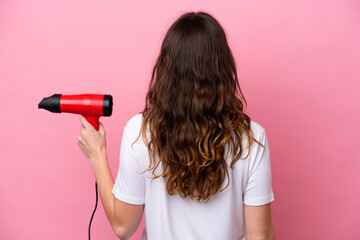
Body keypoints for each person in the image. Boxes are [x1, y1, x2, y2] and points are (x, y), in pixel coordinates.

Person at [77, 11, 276, 240]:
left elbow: (123, 227)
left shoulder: (139, 132)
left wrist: (96, 153)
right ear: (223, 69)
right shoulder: (252, 138)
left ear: (166, 68)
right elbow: (261, 237)